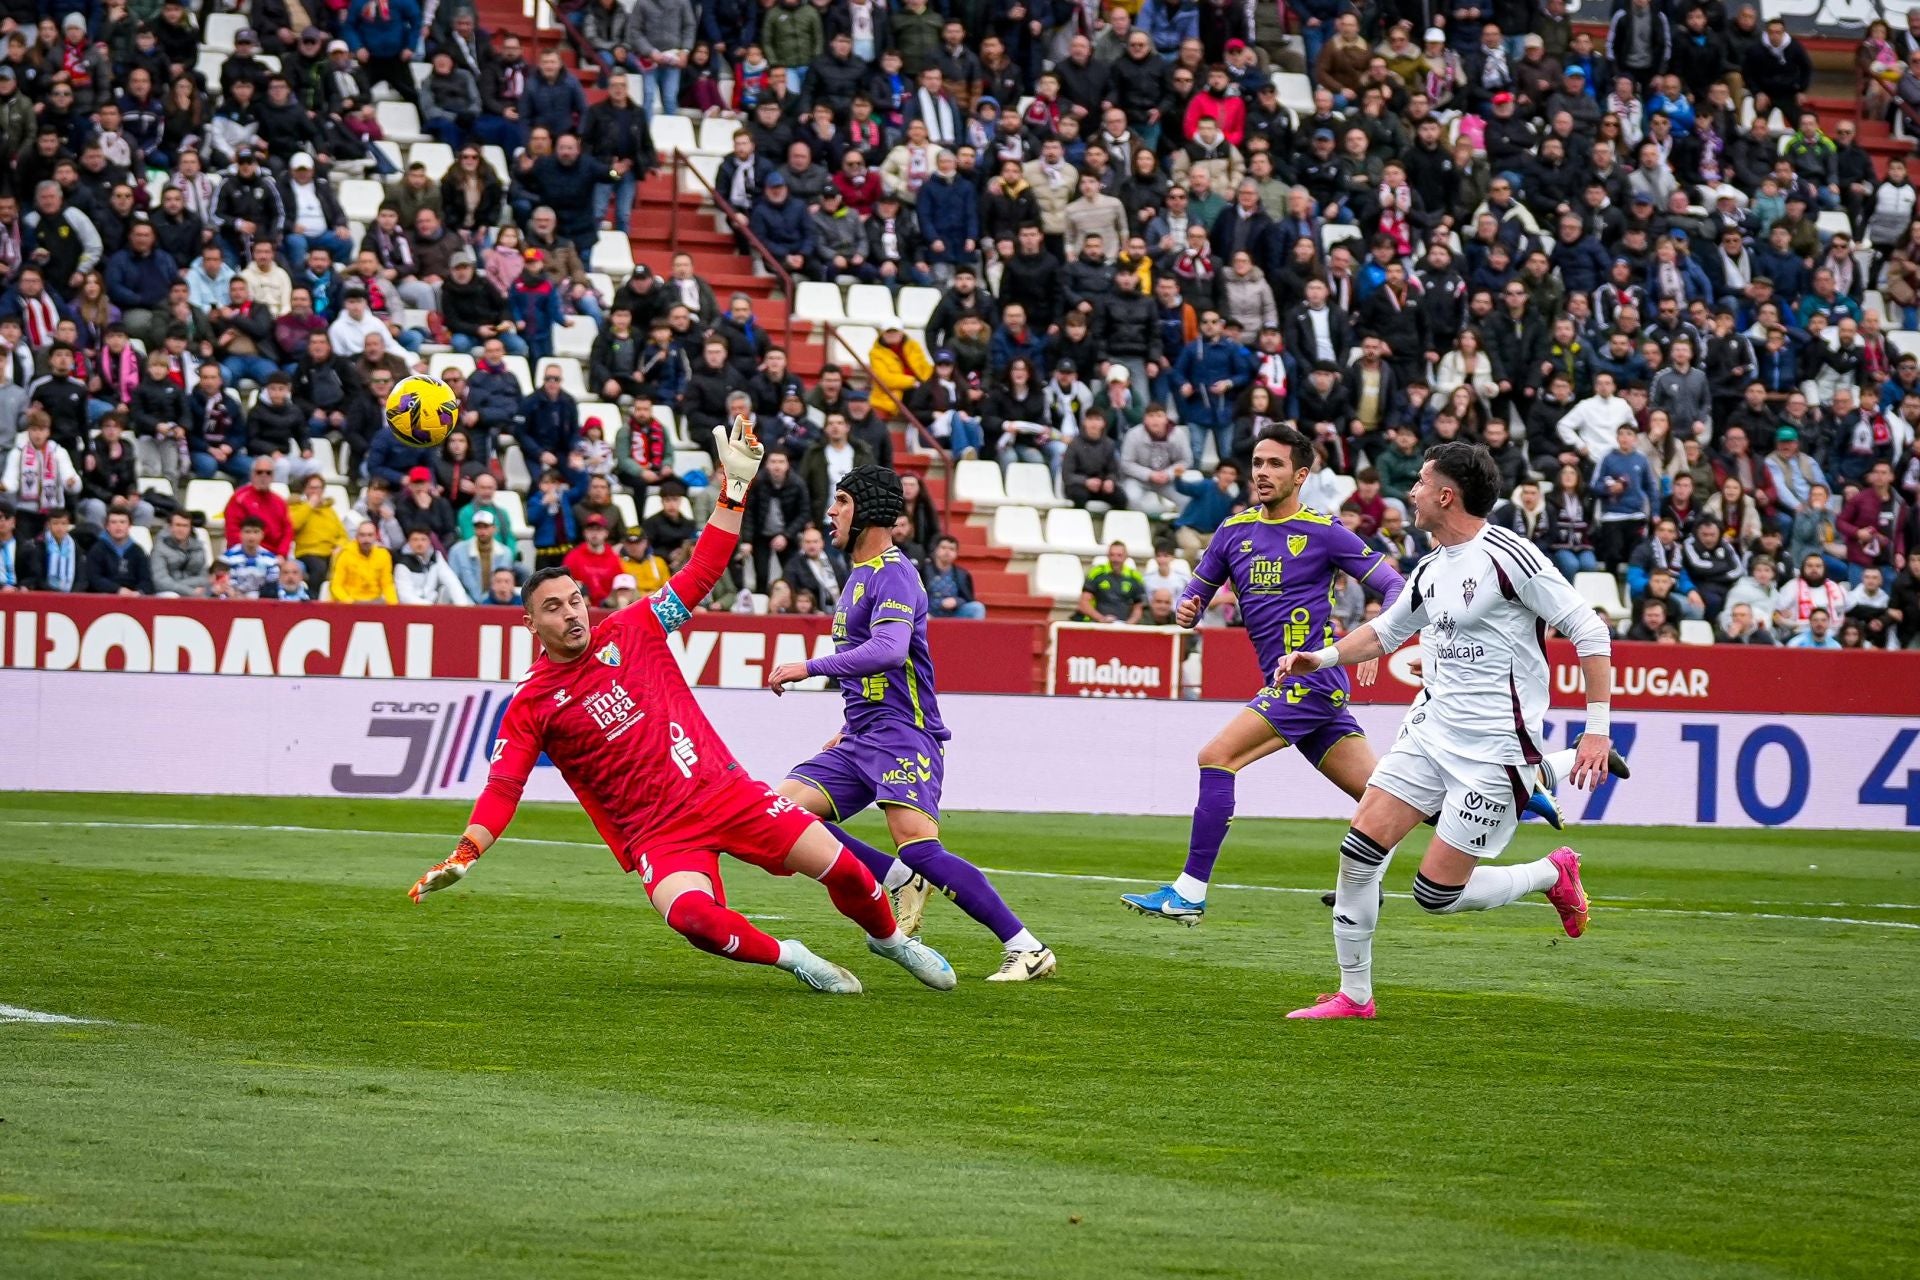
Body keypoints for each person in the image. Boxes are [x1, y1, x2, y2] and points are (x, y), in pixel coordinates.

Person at [408, 419, 955, 997]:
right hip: (657, 834)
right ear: (530, 624)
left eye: (575, 600)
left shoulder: (633, 628)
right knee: (691, 918)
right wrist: (467, 851)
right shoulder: (531, 703)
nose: (571, 614)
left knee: (843, 868)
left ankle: (892, 940)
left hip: (724, 792)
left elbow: (702, 570)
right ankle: (795, 958)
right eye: (553, 608)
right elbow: (504, 786)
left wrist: (734, 488)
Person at [1271, 442, 1617, 1019]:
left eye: (1420, 483)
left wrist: (1597, 730)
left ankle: (1550, 871)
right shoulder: (1431, 566)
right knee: (1359, 851)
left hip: (1493, 751)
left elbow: (1591, 632)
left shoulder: (1513, 557)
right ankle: (1354, 997)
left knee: (1438, 896)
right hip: (1429, 735)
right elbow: (1386, 631)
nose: (1411, 493)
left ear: (1445, 495)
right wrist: (1322, 657)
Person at [767, 465, 1053, 981]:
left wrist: (808, 667)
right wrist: (850, 720)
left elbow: (889, 650)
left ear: (869, 510)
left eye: (842, 502)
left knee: (922, 848)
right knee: (781, 815)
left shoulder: (895, 573)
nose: (831, 512)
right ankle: (897, 878)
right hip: (860, 736)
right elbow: (866, 665)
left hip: (902, 736)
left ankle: (1026, 947)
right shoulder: (857, 575)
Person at [1122, 426, 1408, 922]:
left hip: (1310, 682)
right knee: (1386, 794)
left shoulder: (1325, 531)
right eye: (1258, 463)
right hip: (1291, 687)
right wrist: (1186, 611)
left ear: (1301, 474)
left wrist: (1372, 642)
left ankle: (1189, 892)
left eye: (1275, 464)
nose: (1262, 473)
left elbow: (1396, 587)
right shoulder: (1233, 532)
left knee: (1216, 756)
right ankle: (1513, 792)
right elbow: (1195, 593)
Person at [922, 533, 983, 618]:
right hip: (928, 614)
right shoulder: (923, 570)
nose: (947, 552)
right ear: (935, 550)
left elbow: (968, 599)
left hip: (953, 614)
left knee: (977, 608)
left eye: (951, 549)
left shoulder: (962, 574)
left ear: (956, 553)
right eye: (943, 548)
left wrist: (956, 601)